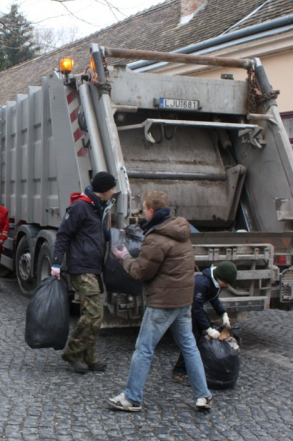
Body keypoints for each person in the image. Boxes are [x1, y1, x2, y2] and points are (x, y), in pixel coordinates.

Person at [108, 190, 213, 412]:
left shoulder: (156, 238)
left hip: (163, 303)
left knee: (144, 349)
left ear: (152, 211)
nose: (142, 212)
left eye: (144, 208)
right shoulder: (181, 231)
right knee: (189, 347)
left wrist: (124, 257)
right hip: (183, 300)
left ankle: (132, 398)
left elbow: (142, 272)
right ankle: (203, 395)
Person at [52, 171, 116, 374]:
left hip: (93, 266)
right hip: (81, 267)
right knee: (94, 313)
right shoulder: (81, 206)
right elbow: (63, 234)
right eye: (112, 188)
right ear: (104, 190)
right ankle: (72, 352)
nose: (114, 192)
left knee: (90, 312)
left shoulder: (98, 207)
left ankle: (89, 356)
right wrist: (55, 263)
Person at [172, 261, 237, 384]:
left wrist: (223, 313)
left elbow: (214, 298)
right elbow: (196, 309)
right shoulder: (201, 283)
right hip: (184, 310)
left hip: (193, 310)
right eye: (226, 283)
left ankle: (193, 367)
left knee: (197, 339)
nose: (228, 286)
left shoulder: (215, 283)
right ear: (219, 278)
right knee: (191, 340)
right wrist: (208, 328)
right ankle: (178, 371)